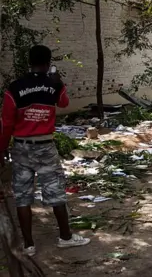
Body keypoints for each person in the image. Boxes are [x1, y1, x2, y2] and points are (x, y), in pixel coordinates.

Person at [0, 45, 91, 256]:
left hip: (21, 147)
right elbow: (64, 103)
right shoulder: (53, 84)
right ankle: (65, 238)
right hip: (45, 147)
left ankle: (29, 245)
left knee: (22, 197)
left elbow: (6, 122)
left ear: (29, 62)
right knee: (56, 192)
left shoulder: (15, 88)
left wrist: (1, 149)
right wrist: (58, 81)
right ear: (48, 62)